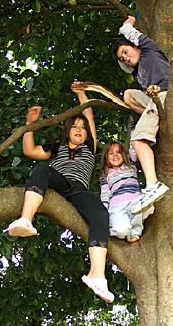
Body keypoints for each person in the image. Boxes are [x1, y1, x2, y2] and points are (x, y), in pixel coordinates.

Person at [7, 82, 114, 303]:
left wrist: (81, 94)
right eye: (74, 126)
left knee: (101, 215)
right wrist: (30, 125)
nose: (78, 129)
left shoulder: (89, 147)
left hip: (78, 190)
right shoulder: (57, 148)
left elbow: (89, 116)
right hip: (58, 182)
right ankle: (26, 220)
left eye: (82, 128)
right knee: (42, 169)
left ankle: (97, 275)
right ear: (67, 131)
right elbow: (29, 150)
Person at [111, 15, 170, 215]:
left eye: (125, 51)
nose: (125, 57)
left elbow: (127, 30)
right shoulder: (138, 70)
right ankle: (153, 120)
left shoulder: (147, 48)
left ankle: (153, 185)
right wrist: (124, 61)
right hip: (155, 100)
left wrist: (128, 21)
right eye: (121, 58)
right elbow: (126, 65)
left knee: (137, 140)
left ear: (135, 45)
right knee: (128, 95)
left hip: (165, 97)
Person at [100, 119, 155, 242]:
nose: (115, 155)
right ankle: (115, 228)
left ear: (124, 155)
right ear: (106, 158)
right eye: (111, 153)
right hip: (116, 206)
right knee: (121, 231)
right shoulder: (105, 175)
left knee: (146, 204)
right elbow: (105, 194)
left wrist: (134, 123)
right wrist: (104, 211)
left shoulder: (131, 165)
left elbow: (134, 145)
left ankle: (135, 232)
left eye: (118, 152)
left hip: (134, 200)